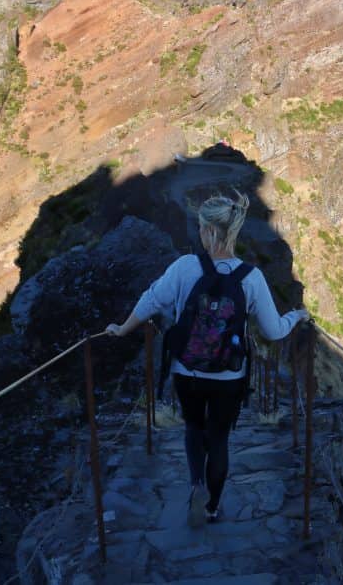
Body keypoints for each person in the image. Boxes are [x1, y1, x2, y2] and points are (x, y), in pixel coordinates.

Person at [106, 191, 309, 526]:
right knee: (219, 437)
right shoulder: (251, 278)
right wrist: (296, 317)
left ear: (209, 231)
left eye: (201, 227)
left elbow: (152, 299)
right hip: (229, 375)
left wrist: (123, 328)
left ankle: (196, 484)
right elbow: (272, 331)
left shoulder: (185, 267)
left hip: (187, 370)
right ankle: (213, 506)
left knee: (193, 427)